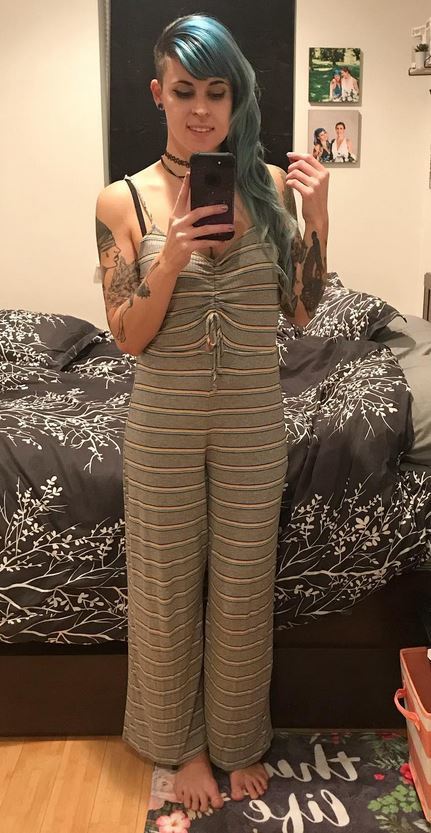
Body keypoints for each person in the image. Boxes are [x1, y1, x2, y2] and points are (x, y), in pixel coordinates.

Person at [95, 13, 329, 815]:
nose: (201, 109)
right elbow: (126, 336)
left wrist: (316, 218)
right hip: (162, 419)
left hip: (253, 418)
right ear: (158, 94)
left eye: (217, 92)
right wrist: (169, 257)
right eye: (185, 90)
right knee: (165, 587)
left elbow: (301, 312)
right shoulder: (122, 198)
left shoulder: (265, 189)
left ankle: (235, 737)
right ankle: (185, 745)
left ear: (235, 99)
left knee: (242, 584)